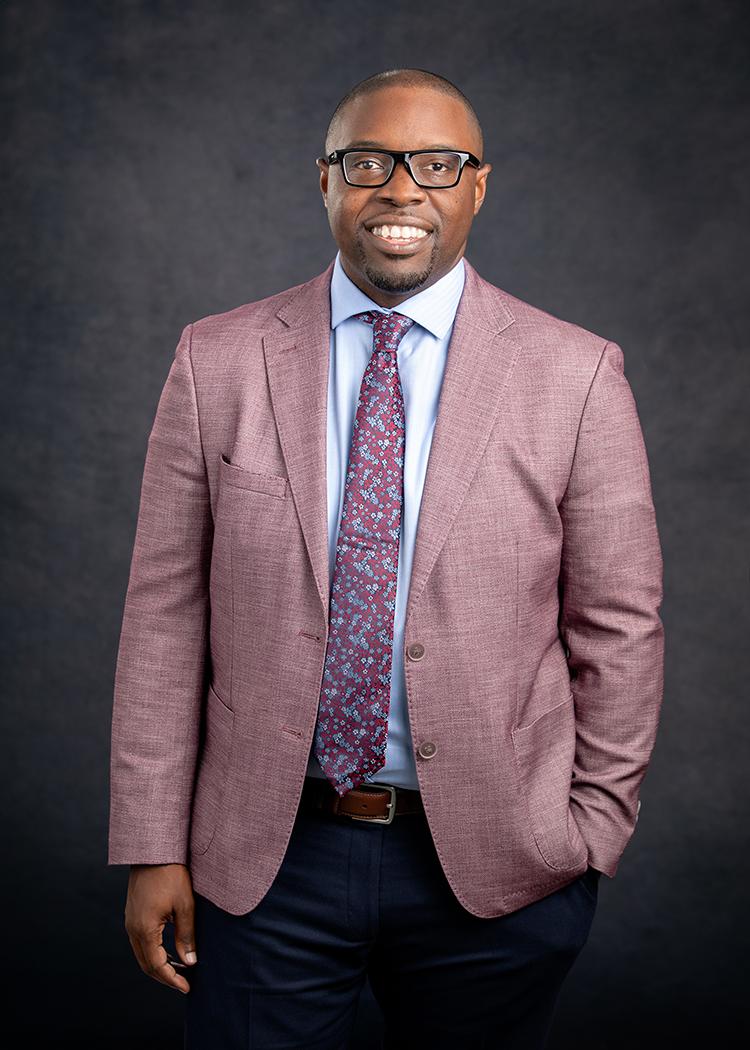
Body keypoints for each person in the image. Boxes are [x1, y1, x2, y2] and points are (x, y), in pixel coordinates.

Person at [108, 67, 665, 1049]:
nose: (401, 189)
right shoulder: (218, 359)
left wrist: (589, 838)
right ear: (324, 181)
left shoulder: (577, 374)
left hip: (500, 870)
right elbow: (164, 612)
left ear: (477, 187)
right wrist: (154, 845)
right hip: (264, 862)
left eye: (436, 165)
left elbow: (619, 625)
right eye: (368, 162)